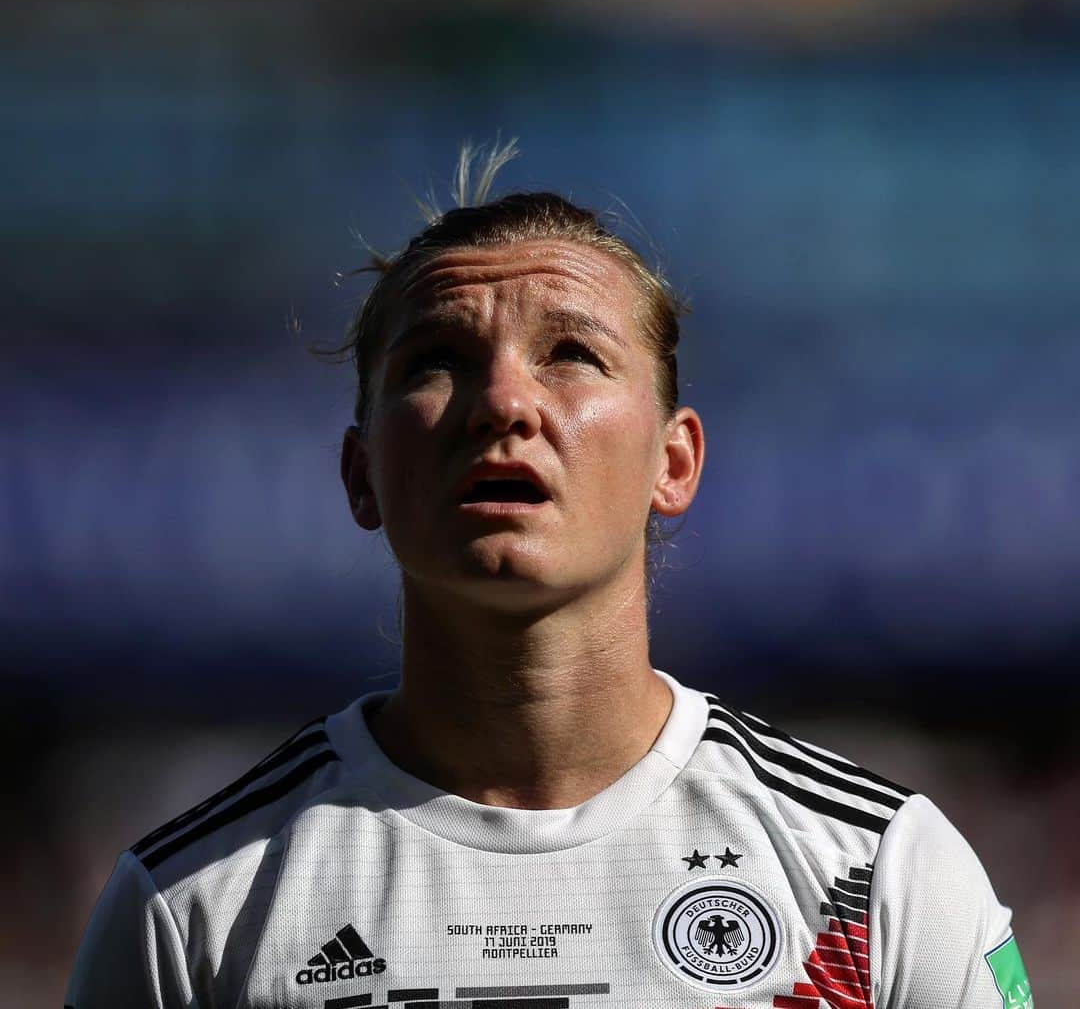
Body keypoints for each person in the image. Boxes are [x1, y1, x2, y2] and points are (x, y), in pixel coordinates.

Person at [67, 142, 1032, 1009]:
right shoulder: (189, 910)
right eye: (438, 360)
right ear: (363, 475)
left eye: (571, 353)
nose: (504, 402)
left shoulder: (880, 876)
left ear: (674, 462)